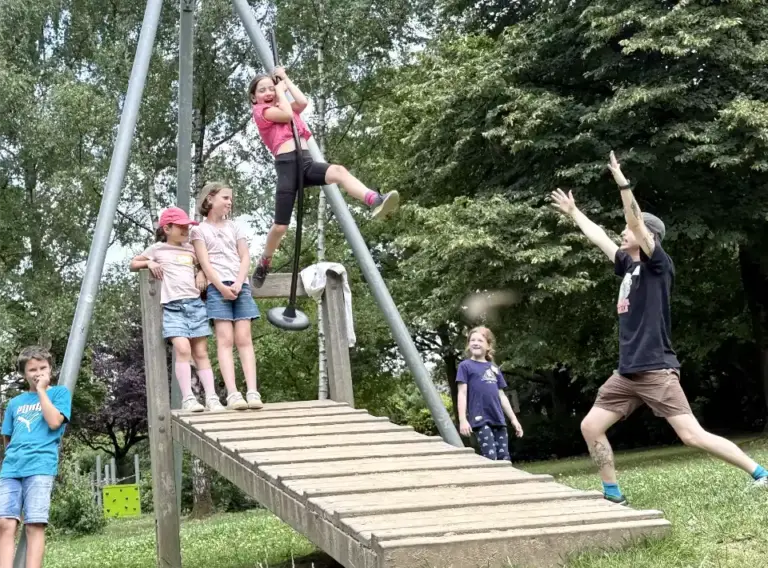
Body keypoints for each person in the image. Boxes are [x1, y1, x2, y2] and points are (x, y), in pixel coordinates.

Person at [550, 151, 768, 504]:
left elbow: (634, 221)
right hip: (627, 372)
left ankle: (760, 474)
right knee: (591, 426)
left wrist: (622, 183)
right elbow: (599, 237)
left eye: (629, 229)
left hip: (655, 369)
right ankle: (613, 495)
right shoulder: (628, 265)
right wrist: (574, 213)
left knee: (691, 435)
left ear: (648, 236)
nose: (622, 232)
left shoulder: (658, 265)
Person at [247, 67, 401, 288]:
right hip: (287, 167)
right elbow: (287, 115)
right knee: (280, 227)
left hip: (306, 163)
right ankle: (265, 260)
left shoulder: (284, 104)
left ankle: (374, 199)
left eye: (271, 88)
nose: (269, 92)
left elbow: (302, 102)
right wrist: (280, 90)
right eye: (262, 90)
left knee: (339, 171)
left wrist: (286, 79)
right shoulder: (262, 112)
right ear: (254, 97)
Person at [130, 207, 222, 412]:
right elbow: (133, 263)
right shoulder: (157, 249)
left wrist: (201, 273)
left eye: (187, 227)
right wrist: (149, 263)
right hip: (173, 306)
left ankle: (212, 397)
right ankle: (188, 398)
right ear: (167, 229)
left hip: (195, 304)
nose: (185, 230)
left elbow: (204, 264)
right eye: (181, 227)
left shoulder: (190, 249)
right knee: (182, 349)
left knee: (201, 352)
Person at [192, 182, 263, 410]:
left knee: (244, 338)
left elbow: (245, 256)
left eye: (230, 199)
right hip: (217, 288)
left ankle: (252, 391)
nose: (229, 202)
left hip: (240, 286)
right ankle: (233, 393)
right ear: (210, 199)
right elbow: (205, 262)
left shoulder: (235, 227)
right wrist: (221, 287)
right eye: (225, 198)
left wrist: (240, 282)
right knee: (225, 340)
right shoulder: (199, 231)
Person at [0, 346, 71, 568]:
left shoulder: (59, 393)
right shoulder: (15, 403)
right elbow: (7, 437)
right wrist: (12, 457)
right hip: (11, 469)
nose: (38, 373)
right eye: (32, 369)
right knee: (4, 522)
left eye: (43, 368)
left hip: (40, 466)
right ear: (24, 374)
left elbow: (54, 422)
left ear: (50, 369)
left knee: (34, 524)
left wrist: (41, 391)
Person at [457, 326, 524, 461]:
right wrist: (463, 420)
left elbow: (502, 396)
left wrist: (513, 419)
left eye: (480, 340)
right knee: (491, 457)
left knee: (504, 458)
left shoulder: (494, 368)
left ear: (488, 346)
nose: (475, 343)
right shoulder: (465, 366)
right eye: (472, 340)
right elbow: (462, 394)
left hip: (498, 418)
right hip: (480, 419)